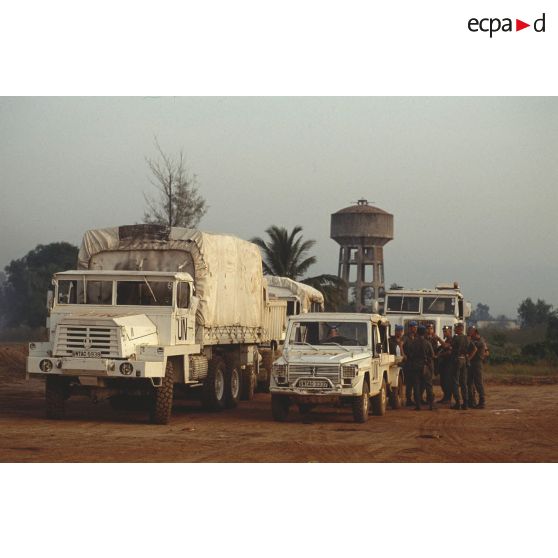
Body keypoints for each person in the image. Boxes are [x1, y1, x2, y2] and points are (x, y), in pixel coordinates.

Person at [404, 324, 435, 410]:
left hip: (415, 366)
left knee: (416, 386)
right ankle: (431, 405)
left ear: (417, 333)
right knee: (429, 386)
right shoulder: (427, 343)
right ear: (424, 333)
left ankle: (418, 405)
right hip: (425, 367)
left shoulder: (413, 343)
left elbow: (409, 354)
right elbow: (432, 355)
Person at [449, 323, 476, 410]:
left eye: (455, 328)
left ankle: (458, 403)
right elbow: (475, 348)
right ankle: (466, 403)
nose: (454, 330)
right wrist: (469, 357)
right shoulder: (467, 338)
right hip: (464, 360)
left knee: (455, 382)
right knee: (464, 383)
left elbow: (449, 346)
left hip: (456, 360)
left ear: (458, 329)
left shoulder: (456, 338)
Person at [468, 326, 487, 409]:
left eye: (470, 331)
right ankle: (472, 401)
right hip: (472, 363)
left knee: (478, 383)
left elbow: (471, 346)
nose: (468, 332)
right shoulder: (475, 340)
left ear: (475, 332)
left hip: (477, 363)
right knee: (470, 383)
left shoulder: (480, 341)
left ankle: (482, 402)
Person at [402, 321, 418, 406]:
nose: (414, 328)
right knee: (409, 383)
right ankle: (408, 399)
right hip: (408, 363)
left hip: (415, 362)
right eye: (413, 327)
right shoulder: (405, 337)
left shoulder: (417, 337)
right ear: (409, 328)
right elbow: (401, 344)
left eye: (415, 327)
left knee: (416, 382)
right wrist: (403, 354)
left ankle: (416, 399)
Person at [436, 326, 453, 403]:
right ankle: (445, 397)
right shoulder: (447, 340)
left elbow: (446, 346)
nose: (444, 333)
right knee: (443, 382)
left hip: (449, 364)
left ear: (450, 332)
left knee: (447, 381)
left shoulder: (452, 340)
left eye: (446, 331)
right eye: (444, 331)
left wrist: (438, 339)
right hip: (444, 364)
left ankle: (448, 398)